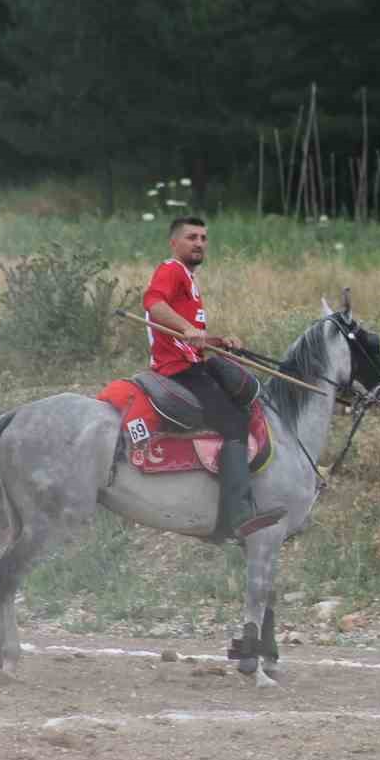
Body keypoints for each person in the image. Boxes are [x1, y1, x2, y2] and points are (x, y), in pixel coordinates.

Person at [143, 216, 283, 541]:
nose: (199, 243)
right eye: (191, 237)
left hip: (192, 362)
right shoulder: (171, 270)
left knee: (245, 402)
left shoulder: (190, 281)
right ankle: (234, 520)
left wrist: (217, 341)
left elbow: (191, 338)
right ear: (174, 242)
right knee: (234, 422)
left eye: (204, 238)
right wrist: (187, 328)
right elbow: (152, 304)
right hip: (175, 370)